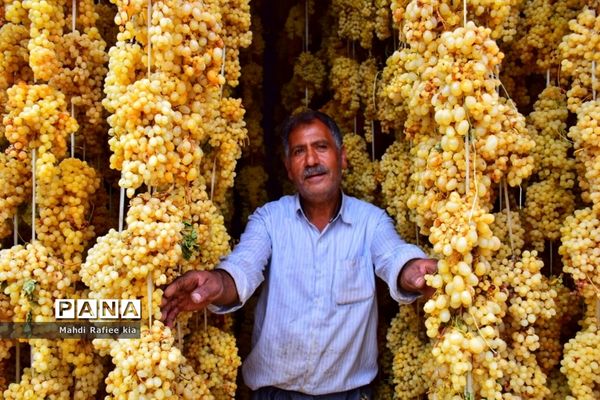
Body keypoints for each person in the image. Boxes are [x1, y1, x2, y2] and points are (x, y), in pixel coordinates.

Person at [160, 110, 437, 399]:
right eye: (299, 152)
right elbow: (242, 268)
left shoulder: (371, 221)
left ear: (341, 157)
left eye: (321, 147)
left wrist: (413, 271)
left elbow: (393, 257)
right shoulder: (269, 220)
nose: (312, 161)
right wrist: (216, 283)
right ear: (288, 168)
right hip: (275, 394)